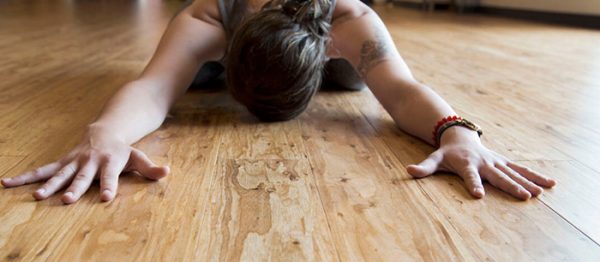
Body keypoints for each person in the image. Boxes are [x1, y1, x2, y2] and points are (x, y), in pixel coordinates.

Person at [0, 0, 556, 204]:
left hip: (330, 43)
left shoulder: (352, 21)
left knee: (363, 80)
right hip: (229, 35)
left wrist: (457, 130)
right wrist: (107, 133)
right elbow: (153, 87)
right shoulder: (206, 16)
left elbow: (402, 89)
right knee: (188, 79)